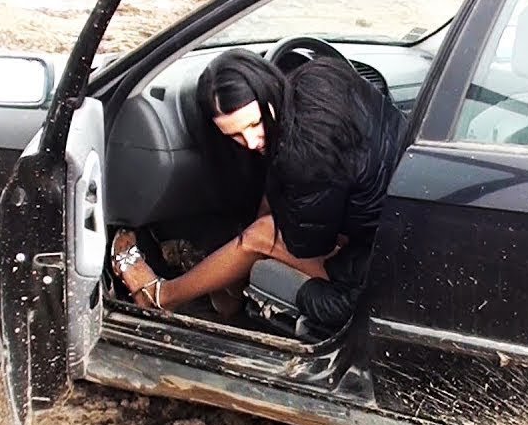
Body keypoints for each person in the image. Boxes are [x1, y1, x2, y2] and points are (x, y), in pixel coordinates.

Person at [111, 48, 407, 331]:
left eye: (254, 124)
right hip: (398, 225)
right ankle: (231, 291)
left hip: (382, 271)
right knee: (271, 205)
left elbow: (308, 245)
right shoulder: (322, 77)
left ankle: (161, 296)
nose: (251, 142)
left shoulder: (303, 153)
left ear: (266, 89)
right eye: (235, 135)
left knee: (262, 235)